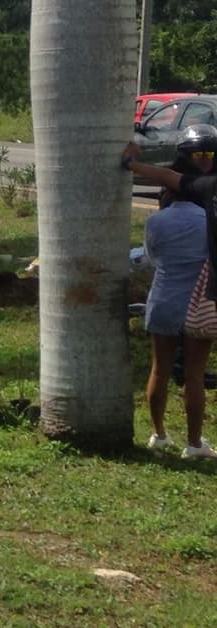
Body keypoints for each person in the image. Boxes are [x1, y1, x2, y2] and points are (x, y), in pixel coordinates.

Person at [125, 125, 217, 459]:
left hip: (163, 300)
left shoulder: (156, 223)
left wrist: (131, 162)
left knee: (159, 370)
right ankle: (194, 444)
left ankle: (159, 435)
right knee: (193, 375)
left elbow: (150, 258)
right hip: (200, 304)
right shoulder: (210, 219)